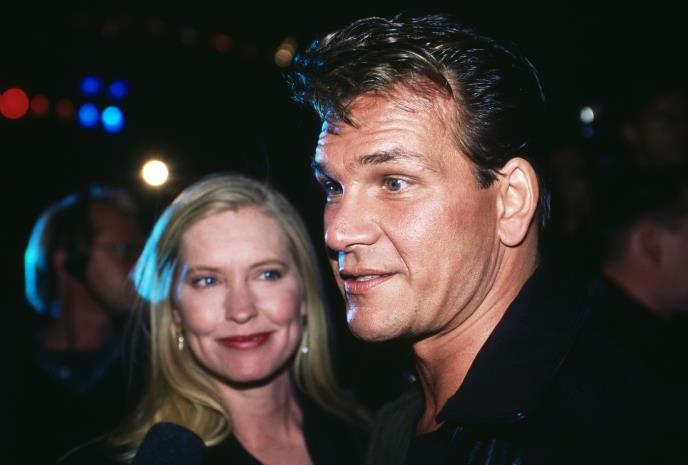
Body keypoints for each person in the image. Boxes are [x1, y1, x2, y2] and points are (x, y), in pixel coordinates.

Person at [289, 14, 682, 464]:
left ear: (511, 201)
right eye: (333, 187)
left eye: (395, 182)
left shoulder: (607, 433)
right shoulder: (396, 422)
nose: (339, 231)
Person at [60, 174, 369, 465]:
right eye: (208, 281)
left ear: (303, 292)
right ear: (175, 309)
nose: (241, 310)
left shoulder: (373, 438)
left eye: (267, 274)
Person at [15, 185, 144, 465]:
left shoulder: (149, 365)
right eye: (125, 250)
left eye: (143, 252)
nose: (140, 268)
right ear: (69, 261)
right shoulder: (14, 368)